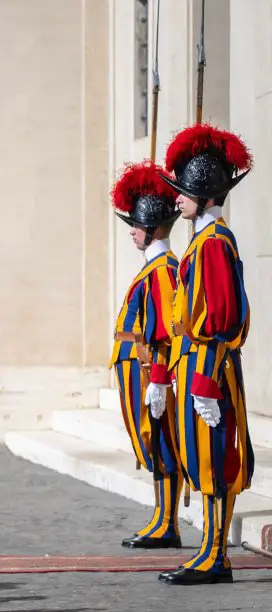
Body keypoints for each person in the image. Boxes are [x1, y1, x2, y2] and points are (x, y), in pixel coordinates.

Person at [157, 123, 255, 585]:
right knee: (202, 460)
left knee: (215, 460)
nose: (177, 201)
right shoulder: (202, 242)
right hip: (196, 364)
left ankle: (217, 556)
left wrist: (204, 381)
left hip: (207, 367)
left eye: (183, 193)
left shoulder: (214, 244)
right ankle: (207, 551)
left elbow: (221, 320)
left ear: (204, 195)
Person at [108, 162, 183, 549]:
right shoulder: (153, 268)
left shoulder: (162, 270)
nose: (132, 232)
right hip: (136, 369)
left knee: (161, 442)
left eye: (135, 226)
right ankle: (159, 516)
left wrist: (157, 379)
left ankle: (168, 522)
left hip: (147, 370)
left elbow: (163, 331)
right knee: (150, 443)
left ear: (152, 228)